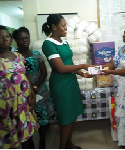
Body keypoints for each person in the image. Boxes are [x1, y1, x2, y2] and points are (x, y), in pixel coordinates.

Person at [41, 14, 92, 149]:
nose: (66, 28)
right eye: (63, 25)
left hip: (71, 82)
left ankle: (69, 144)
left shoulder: (64, 42)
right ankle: (62, 147)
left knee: (73, 115)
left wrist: (81, 73)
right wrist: (83, 66)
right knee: (66, 119)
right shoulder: (48, 44)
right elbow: (61, 68)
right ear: (54, 27)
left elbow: (69, 63)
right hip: (61, 85)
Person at [0, 24, 38, 149]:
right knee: (8, 137)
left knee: (27, 135)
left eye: (7, 36)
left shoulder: (19, 56)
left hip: (23, 103)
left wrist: (32, 94)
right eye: (0, 37)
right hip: (5, 105)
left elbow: (26, 76)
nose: (5, 39)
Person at [12, 27, 56, 148]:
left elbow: (44, 72)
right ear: (16, 40)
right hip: (22, 93)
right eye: (21, 39)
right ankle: (29, 142)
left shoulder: (36, 54)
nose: (24, 41)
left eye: (26, 38)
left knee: (43, 116)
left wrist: (35, 87)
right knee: (25, 118)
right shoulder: (13, 57)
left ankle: (42, 140)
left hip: (40, 90)